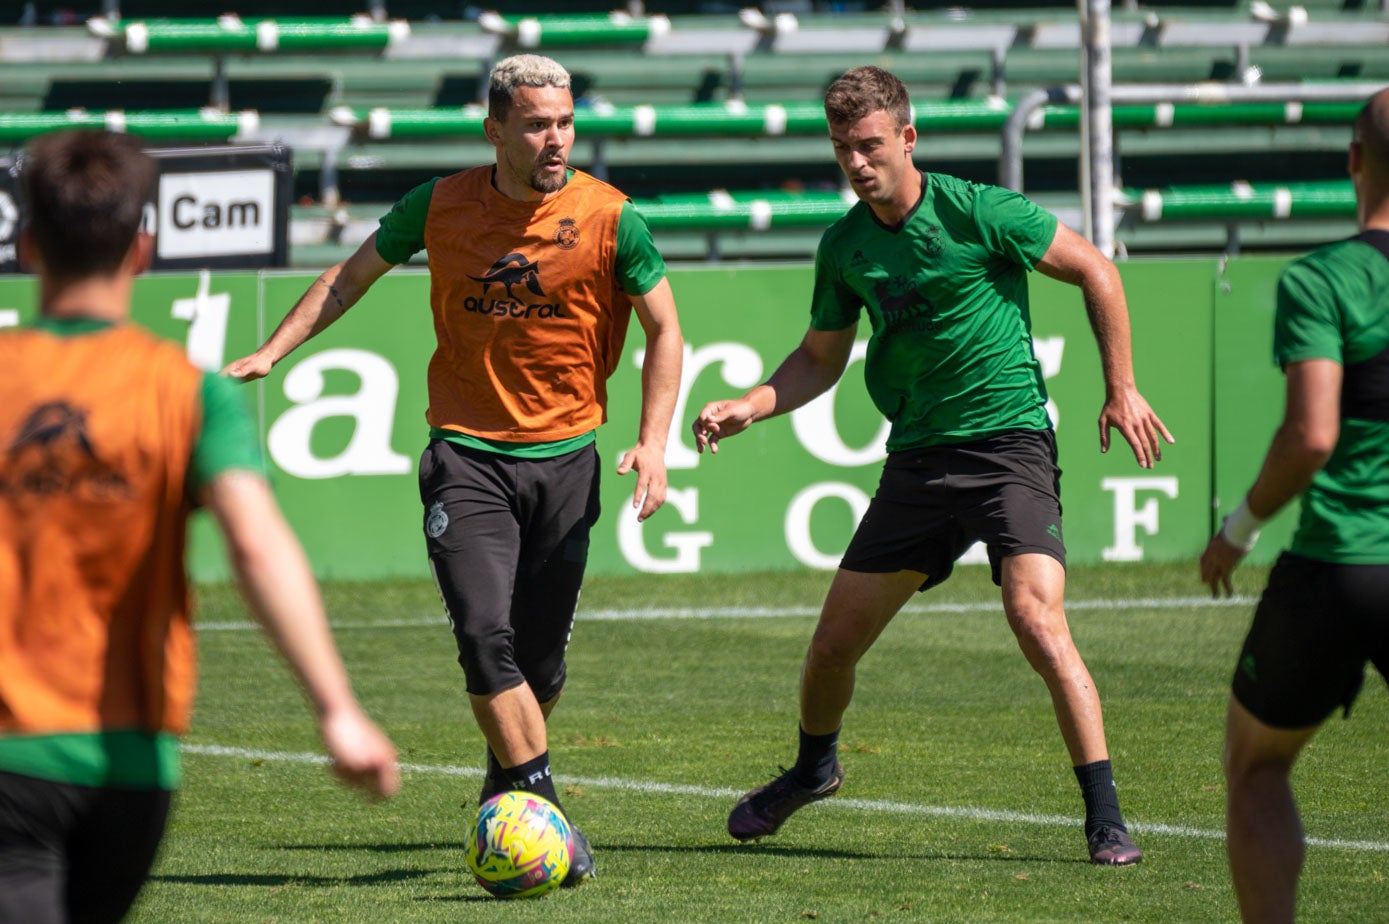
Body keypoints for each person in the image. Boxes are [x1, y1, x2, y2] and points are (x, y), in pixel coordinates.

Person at [693, 66, 1172, 866]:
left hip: (1007, 447)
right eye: (842, 146)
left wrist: (1119, 387)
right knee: (830, 649)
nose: (855, 161)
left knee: (1035, 618)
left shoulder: (979, 210)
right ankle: (814, 771)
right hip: (917, 462)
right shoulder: (843, 246)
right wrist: (754, 402)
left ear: (907, 138)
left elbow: (1096, 268)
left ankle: (1105, 819)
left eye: (869, 144)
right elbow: (819, 357)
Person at [223, 53, 683, 887]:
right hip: (466, 455)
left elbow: (665, 331)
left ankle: (505, 788)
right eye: (538, 123)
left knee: (538, 667)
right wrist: (272, 351)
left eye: (566, 122)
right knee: (483, 637)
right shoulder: (437, 205)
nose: (556, 138)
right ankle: (545, 812)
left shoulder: (614, 219)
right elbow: (348, 277)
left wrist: (654, 442)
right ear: (495, 129)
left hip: (568, 461)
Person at [0, 129, 400, 924]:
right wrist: (336, 708)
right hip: (134, 766)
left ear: (26, 243)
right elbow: (256, 543)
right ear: (143, 248)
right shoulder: (185, 393)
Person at [1199, 89, 1389, 923]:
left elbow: (1310, 437)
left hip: (1341, 561)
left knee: (1258, 766)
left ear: (1351, 161)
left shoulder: (1323, 277)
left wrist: (1236, 530)